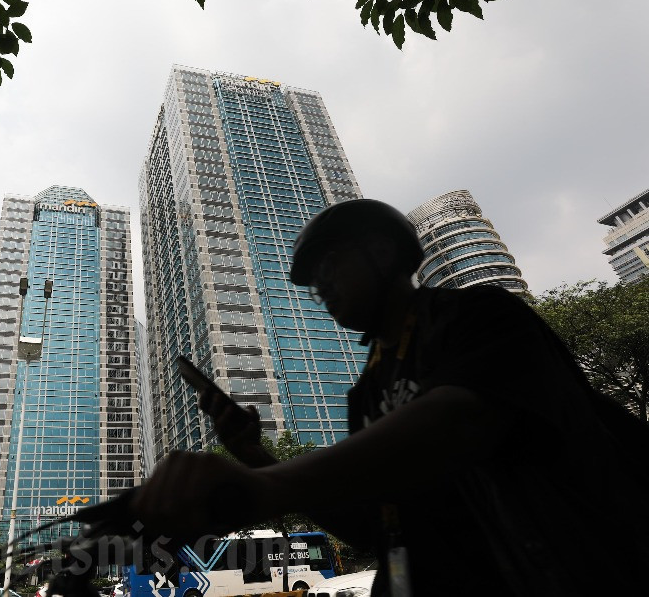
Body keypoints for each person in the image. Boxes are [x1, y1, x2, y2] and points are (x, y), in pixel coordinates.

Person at [130, 199, 649, 596]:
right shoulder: (368, 391)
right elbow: (372, 527)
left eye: (329, 265)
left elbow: (459, 421)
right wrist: (255, 456)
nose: (319, 287)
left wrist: (266, 485)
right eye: (311, 282)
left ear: (381, 252)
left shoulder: (477, 315)